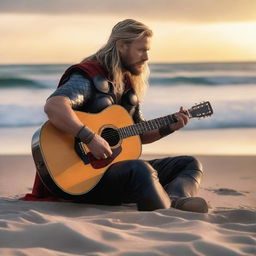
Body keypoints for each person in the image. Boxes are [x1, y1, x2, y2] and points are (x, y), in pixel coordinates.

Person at [24, 19, 208, 213]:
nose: (146, 57)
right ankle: (169, 213)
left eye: (147, 51)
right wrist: (90, 137)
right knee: (141, 170)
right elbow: (54, 106)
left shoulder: (128, 85)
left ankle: (176, 200)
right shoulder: (88, 77)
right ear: (121, 46)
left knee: (189, 163)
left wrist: (169, 127)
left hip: (112, 174)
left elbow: (139, 134)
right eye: (141, 50)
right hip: (81, 181)